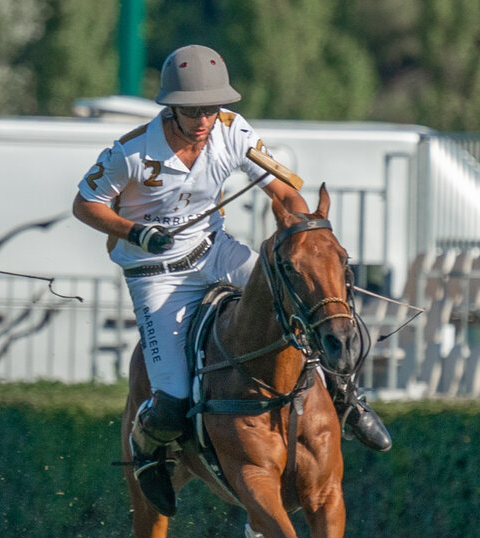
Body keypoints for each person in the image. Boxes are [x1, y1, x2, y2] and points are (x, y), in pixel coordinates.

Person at [72, 45, 391, 506]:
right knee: (171, 400)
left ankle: (347, 398)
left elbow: (284, 189)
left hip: (215, 251)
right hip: (156, 274)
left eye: (211, 108)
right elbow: (85, 205)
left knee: (300, 305)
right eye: (192, 110)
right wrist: (136, 233)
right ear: (170, 107)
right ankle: (147, 456)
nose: (203, 119)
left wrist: (300, 233)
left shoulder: (233, 131)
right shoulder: (132, 152)